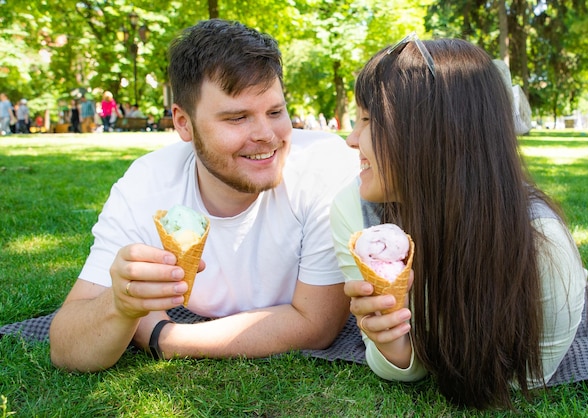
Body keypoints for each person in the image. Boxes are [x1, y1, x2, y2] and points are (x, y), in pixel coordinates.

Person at [50, 19, 358, 372]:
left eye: (275, 112)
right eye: (237, 118)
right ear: (183, 122)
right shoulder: (148, 183)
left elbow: (315, 324)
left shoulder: (325, 166)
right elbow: (65, 348)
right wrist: (121, 305)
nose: (267, 135)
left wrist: (161, 336)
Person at [330, 36, 587, 409]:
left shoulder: (541, 243)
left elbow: (529, 375)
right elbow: (397, 360)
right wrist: (391, 343)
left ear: (432, 133)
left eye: (369, 119)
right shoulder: (352, 212)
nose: (352, 139)